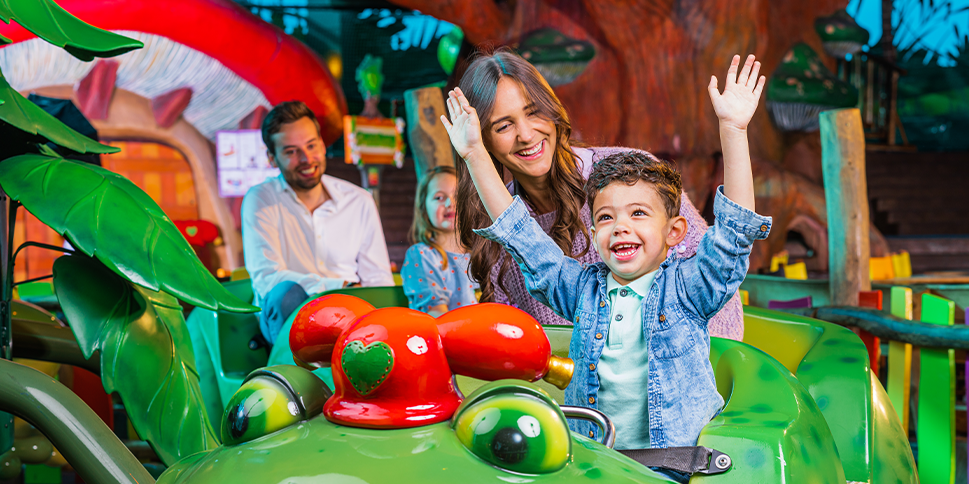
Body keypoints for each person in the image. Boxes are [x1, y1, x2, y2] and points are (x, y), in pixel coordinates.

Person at [442, 56, 772, 478]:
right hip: (595, 464)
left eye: (638, 214)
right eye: (605, 218)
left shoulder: (688, 291)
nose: (621, 227)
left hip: (671, 463)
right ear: (592, 228)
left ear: (674, 232)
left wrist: (734, 131)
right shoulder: (582, 291)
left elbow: (733, 235)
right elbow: (522, 237)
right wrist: (473, 153)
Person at [453, 49, 746, 341]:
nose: (526, 135)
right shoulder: (508, 233)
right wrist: (474, 156)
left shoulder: (628, 174)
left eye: (533, 112)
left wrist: (700, 358)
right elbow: (518, 320)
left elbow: (718, 270)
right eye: (504, 126)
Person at [242, 101, 393, 344]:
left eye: (311, 146)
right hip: (289, 318)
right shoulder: (260, 199)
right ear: (272, 158)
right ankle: (292, 366)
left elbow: (378, 280)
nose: (306, 158)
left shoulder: (359, 200)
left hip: (350, 318)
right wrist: (338, 287)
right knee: (285, 293)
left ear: (322, 146)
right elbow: (267, 278)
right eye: (291, 152)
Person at [400, 166, 479, 315]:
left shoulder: (479, 252)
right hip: (446, 330)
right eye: (439, 198)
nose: (450, 203)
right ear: (424, 208)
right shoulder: (422, 255)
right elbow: (436, 314)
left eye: (458, 195)